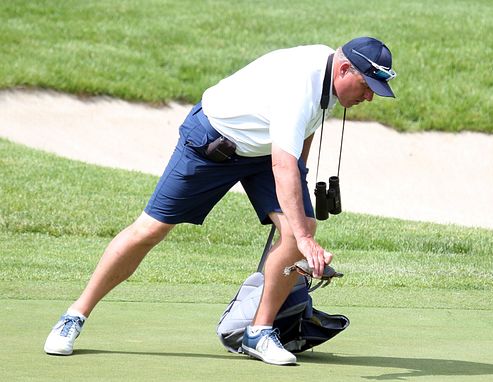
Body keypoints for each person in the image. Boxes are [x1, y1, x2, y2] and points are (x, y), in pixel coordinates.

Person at [44, 36, 396, 366]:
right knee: (150, 230)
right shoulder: (301, 84)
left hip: (262, 151)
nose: (368, 98)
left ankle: (259, 332)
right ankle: (75, 314)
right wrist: (304, 239)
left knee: (299, 229)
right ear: (346, 69)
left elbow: (302, 134)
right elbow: (283, 160)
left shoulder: (333, 77)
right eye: (367, 88)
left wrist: (300, 218)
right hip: (213, 143)